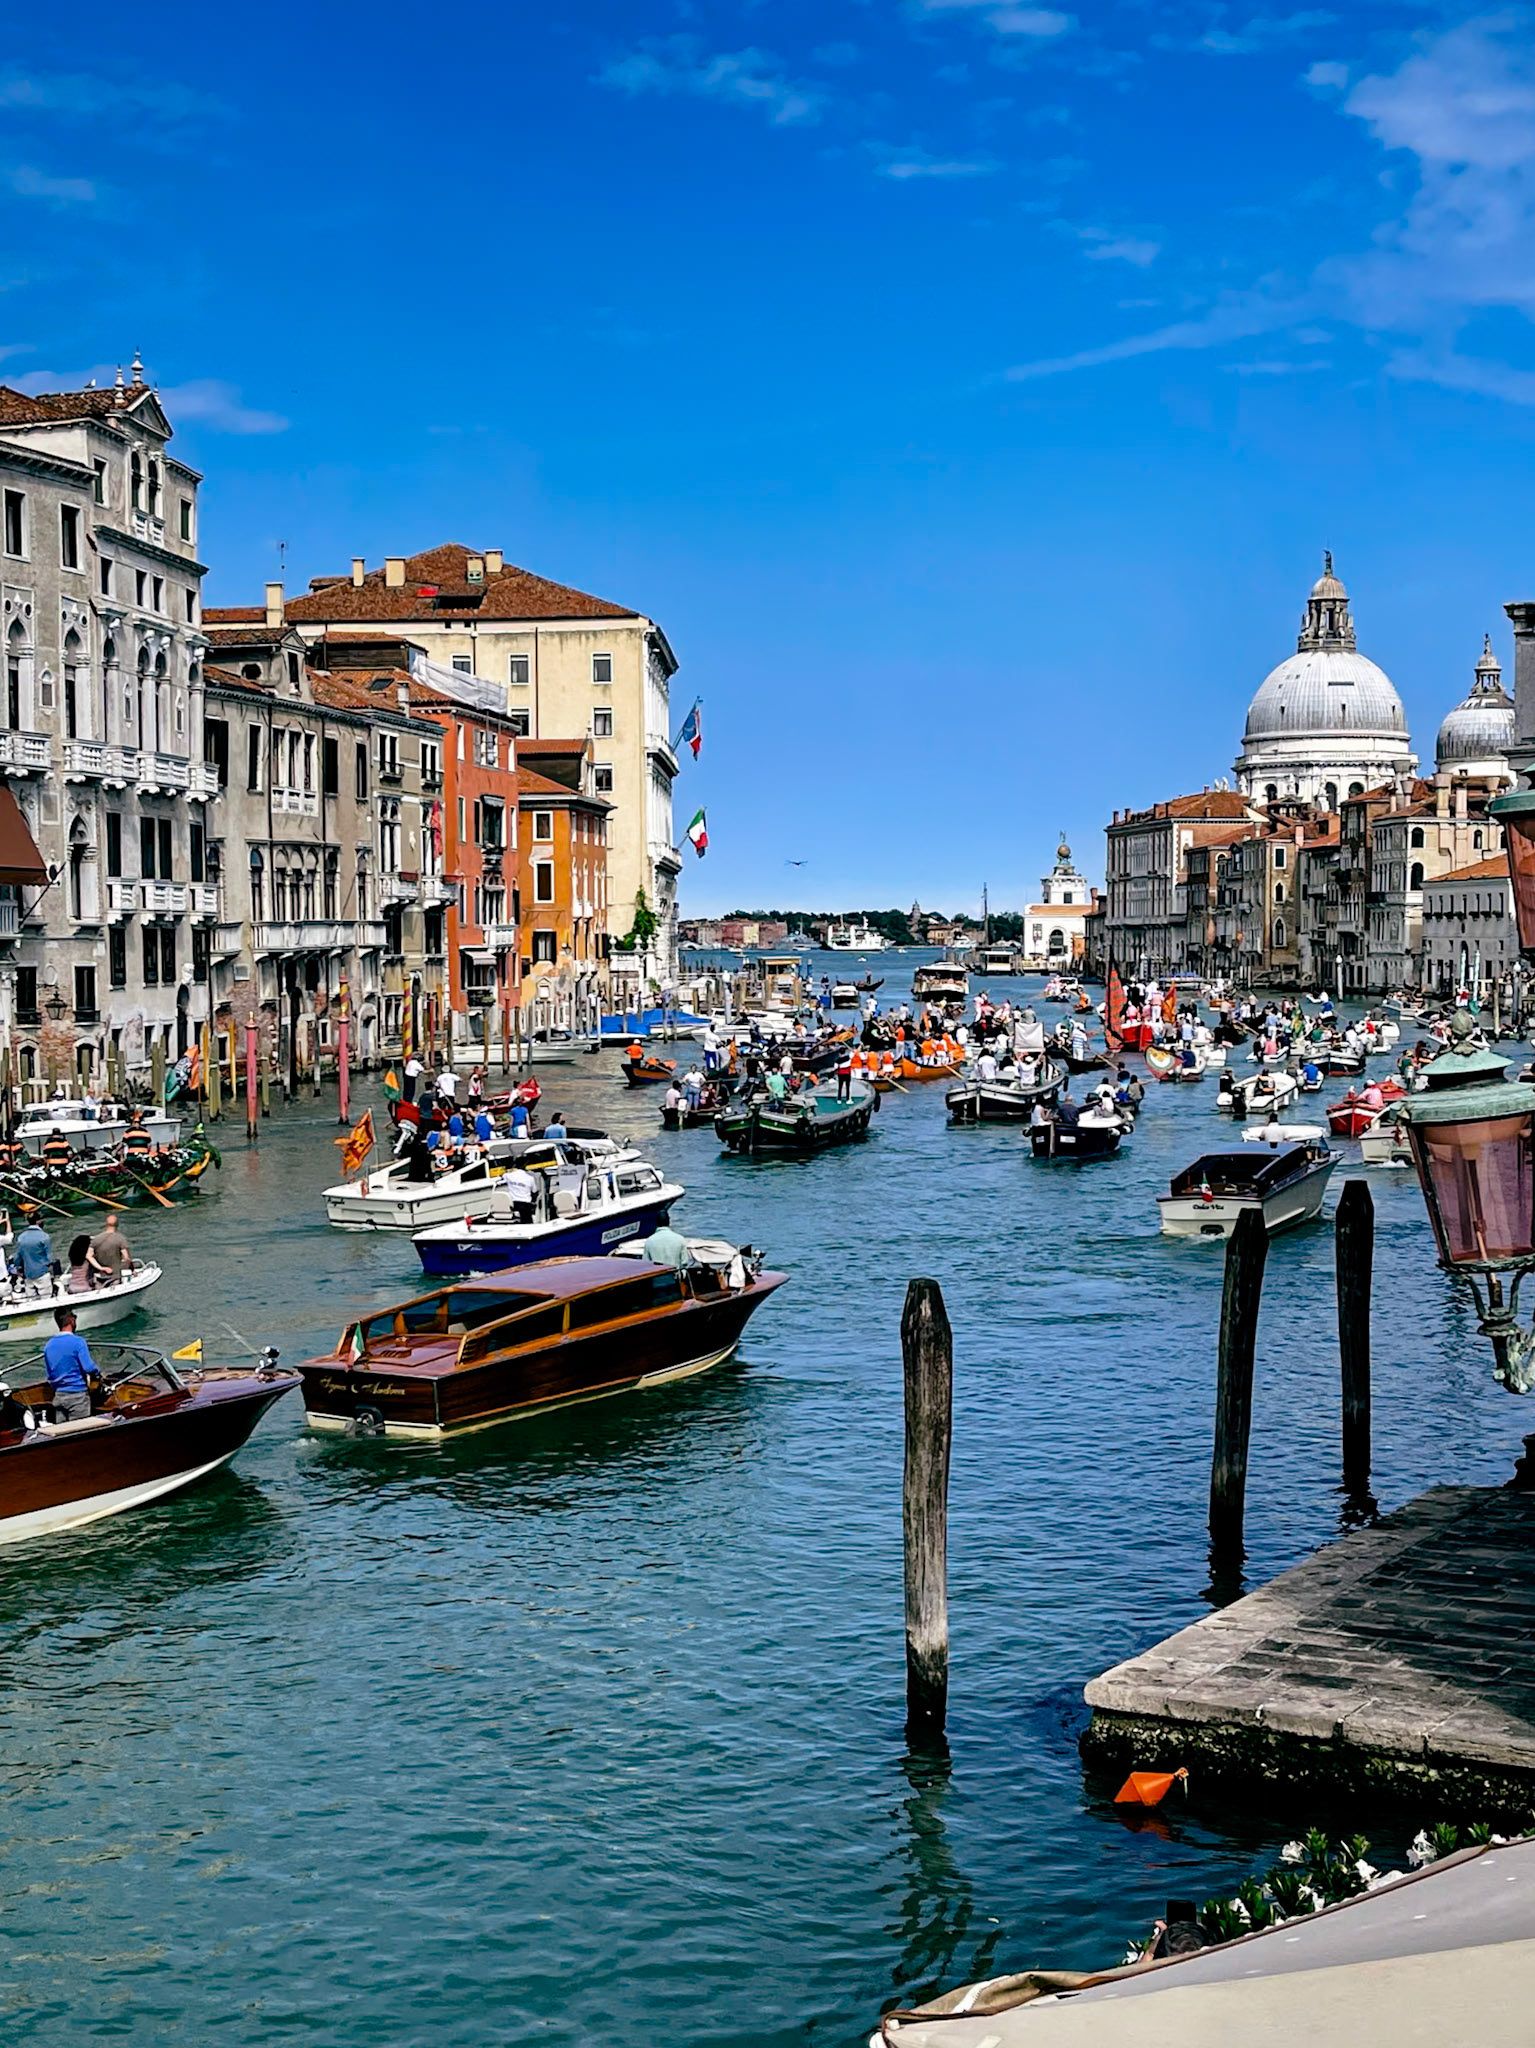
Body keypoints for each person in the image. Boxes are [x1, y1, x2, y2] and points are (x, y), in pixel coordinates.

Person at [44, 1306, 96, 1422]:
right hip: (77, 1397)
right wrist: (98, 1372)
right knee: (80, 1432)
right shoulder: (78, 1342)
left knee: (63, 1432)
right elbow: (88, 1367)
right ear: (72, 1320)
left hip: (59, 1397)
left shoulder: (48, 1345)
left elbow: (49, 1375)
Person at [90, 1218, 132, 1284]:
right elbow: (126, 1258)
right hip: (115, 1277)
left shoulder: (96, 1239)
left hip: (99, 1277)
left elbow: (89, 1256)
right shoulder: (120, 1239)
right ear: (117, 1225)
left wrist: (101, 1268)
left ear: (106, 1224)